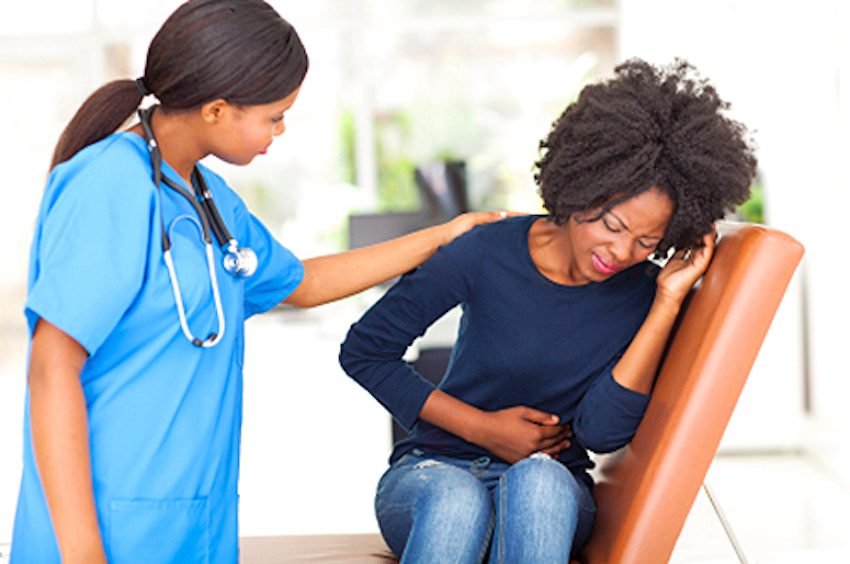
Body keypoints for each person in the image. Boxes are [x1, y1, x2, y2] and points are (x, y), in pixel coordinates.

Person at [10, 1, 510, 563]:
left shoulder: (210, 199)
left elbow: (304, 282)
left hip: (191, 526)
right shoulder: (108, 185)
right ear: (218, 109)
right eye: (274, 116)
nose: (281, 130)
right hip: (100, 531)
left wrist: (442, 237)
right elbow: (52, 368)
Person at [339, 58, 758, 564]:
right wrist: (482, 428)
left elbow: (601, 434)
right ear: (580, 187)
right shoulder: (484, 251)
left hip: (551, 488)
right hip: (434, 469)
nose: (621, 252)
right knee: (456, 502)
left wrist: (666, 301)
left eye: (647, 241)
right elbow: (366, 352)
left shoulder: (645, 294)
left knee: (538, 479)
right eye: (612, 224)